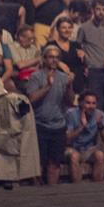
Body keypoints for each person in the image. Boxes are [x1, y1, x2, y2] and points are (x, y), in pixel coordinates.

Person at [26, 46, 73, 185]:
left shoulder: (64, 77)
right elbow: (32, 99)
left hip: (58, 125)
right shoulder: (36, 76)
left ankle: (52, 193)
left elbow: (70, 101)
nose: (54, 60)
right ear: (44, 59)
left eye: (56, 57)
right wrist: (47, 86)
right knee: (39, 163)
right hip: (40, 125)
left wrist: (70, 86)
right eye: (51, 57)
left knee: (55, 163)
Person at [65, 90, 104, 183]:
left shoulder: (99, 114)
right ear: (80, 103)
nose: (91, 106)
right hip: (73, 147)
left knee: (100, 155)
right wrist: (82, 126)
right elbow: (68, 138)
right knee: (74, 156)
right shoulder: (71, 113)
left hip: (89, 149)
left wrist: (100, 125)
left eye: (94, 103)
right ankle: (77, 189)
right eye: (88, 103)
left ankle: (97, 188)